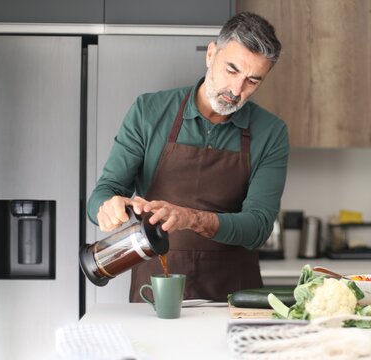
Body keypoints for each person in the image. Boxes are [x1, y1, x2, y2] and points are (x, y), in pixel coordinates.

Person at [86, 12, 287, 302]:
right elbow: (102, 195)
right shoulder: (149, 112)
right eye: (232, 70)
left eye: (252, 81)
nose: (237, 90)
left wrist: (189, 218)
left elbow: (257, 228)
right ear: (210, 54)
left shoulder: (271, 132)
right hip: (155, 291)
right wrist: (108, 207)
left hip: (233, 298)